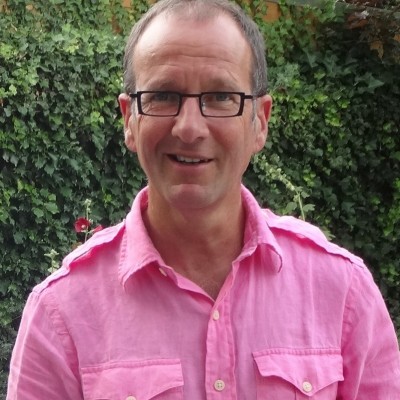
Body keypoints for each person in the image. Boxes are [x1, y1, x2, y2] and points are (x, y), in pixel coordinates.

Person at [7, 0, 400, 398]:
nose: (190, 128)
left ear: (260, 121)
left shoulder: (342, 291)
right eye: (163, 95)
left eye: (221, 97)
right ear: (129, 119)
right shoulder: (61, 313)